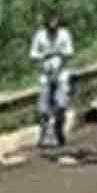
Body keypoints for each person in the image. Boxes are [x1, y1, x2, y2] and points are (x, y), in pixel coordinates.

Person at [30, 13, 74, 148]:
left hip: (61, 75)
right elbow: (33, 55)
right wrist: (44, 57)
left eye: (55, 22)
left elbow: (69, 53)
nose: (53, 25)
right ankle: (44, 135)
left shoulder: (64, 34)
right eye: (50, 22)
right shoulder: (40, 36)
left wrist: (58, 67)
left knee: (61, 105)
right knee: (43, 108)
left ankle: (58, 129)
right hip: (45, 76)